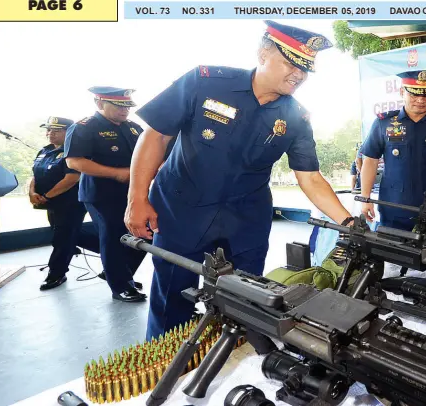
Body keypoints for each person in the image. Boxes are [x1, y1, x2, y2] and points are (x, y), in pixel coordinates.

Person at [125, 20, 356, 340]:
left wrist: (349, 222)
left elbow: (311, 178)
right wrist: (137, 198)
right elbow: (155, 136)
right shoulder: (204, 82)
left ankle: (229, 359)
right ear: (263, 54)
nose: (298, 75)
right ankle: (166, 368)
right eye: (290, 63)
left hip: (246, 218)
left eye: (305, 68)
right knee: (173, 294)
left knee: (245, 298)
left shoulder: (297, 118)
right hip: (182, 208)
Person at [64, 87, 147, 302]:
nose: (124, 110)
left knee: (144, 235)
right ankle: (120, 286)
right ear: (99, 104)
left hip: (133, 192)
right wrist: (117, 174)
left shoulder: (134, 129)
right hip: (101, 194)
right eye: (119, 106)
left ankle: (117, 274)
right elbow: (74, 161)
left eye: (127, 106)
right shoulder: (84, 127)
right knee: (114, 238)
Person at [359, 70, 426, 231]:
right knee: (394, 254)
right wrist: (365, 198)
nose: (421, 100)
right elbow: (370, 161)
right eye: (414, 94)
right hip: (393, 207)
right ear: (402, 92)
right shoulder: (384, 123)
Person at [30, 116, 100, 290]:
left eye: (56, 130)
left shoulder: (74, 152)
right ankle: (113, 252)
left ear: (68, 132)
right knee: (68, 235)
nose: (50, 134)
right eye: (48, 130)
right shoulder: (45, 150)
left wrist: (46, 196)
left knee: (62, 239)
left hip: (69, 203)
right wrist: (32, 192)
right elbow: (34, 174)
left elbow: (72, 178)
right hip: (50, 203)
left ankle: (56, 274)